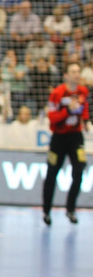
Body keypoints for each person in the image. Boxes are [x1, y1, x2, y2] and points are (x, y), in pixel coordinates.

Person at [42, 62, 90, 225]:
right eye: (73, 71)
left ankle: (71, 209)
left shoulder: (83, 91)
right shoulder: (57, 93)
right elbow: (52, 118)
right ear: (66, 76)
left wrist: (86, 121)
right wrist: (68, 110)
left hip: (76, 137)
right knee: (51, 174)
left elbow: (84, 107)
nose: (76, 74)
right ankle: (47, 211)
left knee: (79, 169)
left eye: (78, 71)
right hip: (59, 139)